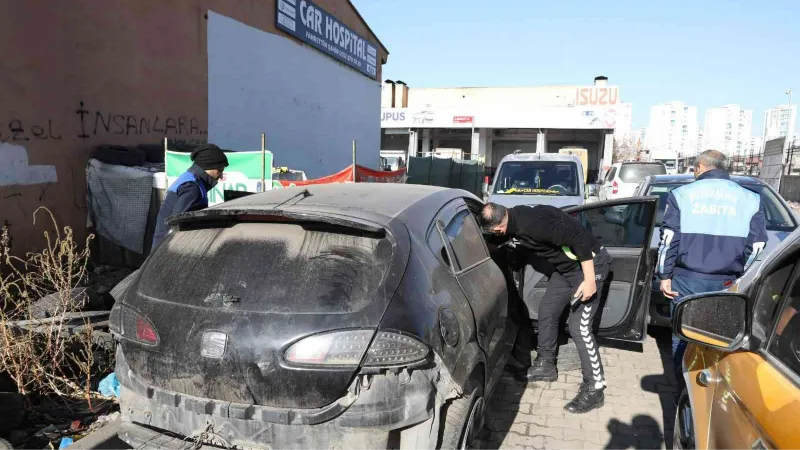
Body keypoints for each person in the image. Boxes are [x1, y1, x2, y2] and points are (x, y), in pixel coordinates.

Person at [479, 202, 613, 414]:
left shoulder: (533, 224)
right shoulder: (513, 219)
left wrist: (589, 281)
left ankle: (595, 389)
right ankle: (546, 365)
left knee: (580, 328)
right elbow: (496, 245)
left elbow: (577, 239)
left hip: (591, 266)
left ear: (498, 228)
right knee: (547, 310)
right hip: (567, 270)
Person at [658, 149, 767, 395]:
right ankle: (713, 389)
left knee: (684, 335)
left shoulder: (681, 195)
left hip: (686, 280)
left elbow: (668, 239)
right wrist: (742, 277)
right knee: (719, 337)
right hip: (727, 282)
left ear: (699, 167)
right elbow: (757, 246)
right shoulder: (751, 198)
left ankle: (683, 394)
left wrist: (665, 276)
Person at [152, 144, 229, 249]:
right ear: (208, 166)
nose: (221, 175)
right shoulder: (192, 187)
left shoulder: (190, 180)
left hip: (165, 249)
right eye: (219, 170)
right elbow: (175, 225)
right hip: (168, 252)